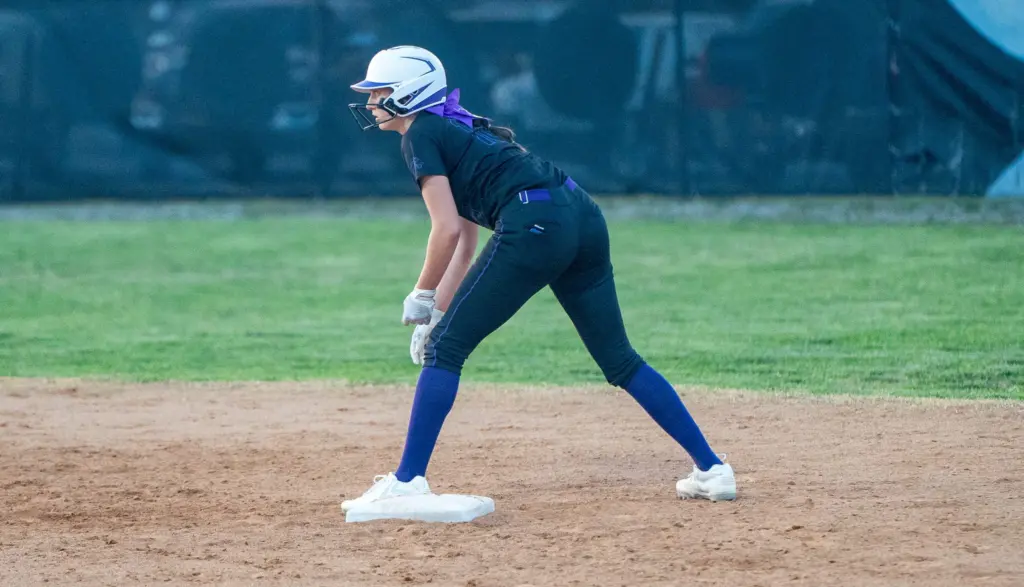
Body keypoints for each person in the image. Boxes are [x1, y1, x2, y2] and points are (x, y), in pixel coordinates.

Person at [341, 46, 736, 514]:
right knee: (619, 359)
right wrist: (438, 312)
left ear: (409, 94)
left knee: (446, 351)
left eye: (380, 92)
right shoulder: (456, 126)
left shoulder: (421, 133)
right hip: (580, 214)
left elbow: (444, 228)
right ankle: (712, 469)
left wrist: (422, 293)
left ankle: (408, 481)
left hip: (535, 222)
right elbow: (465, 240)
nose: (371, 102)